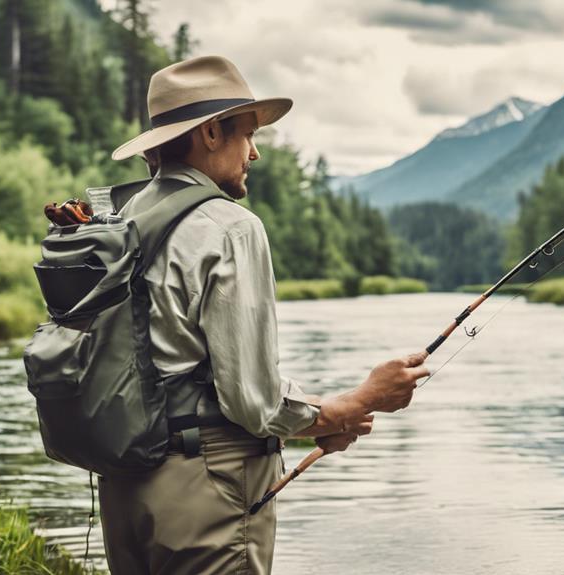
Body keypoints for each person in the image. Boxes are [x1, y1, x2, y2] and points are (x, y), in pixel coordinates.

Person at [99, 55, 429, 574]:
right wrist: (353, 405)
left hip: (123, 487)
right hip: (205, 490)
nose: (254, 152)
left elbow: (174, 373)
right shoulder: (230, 227)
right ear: (210, 133)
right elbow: (252, 401)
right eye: (248, 134)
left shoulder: (123, 220)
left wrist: (317, 415)